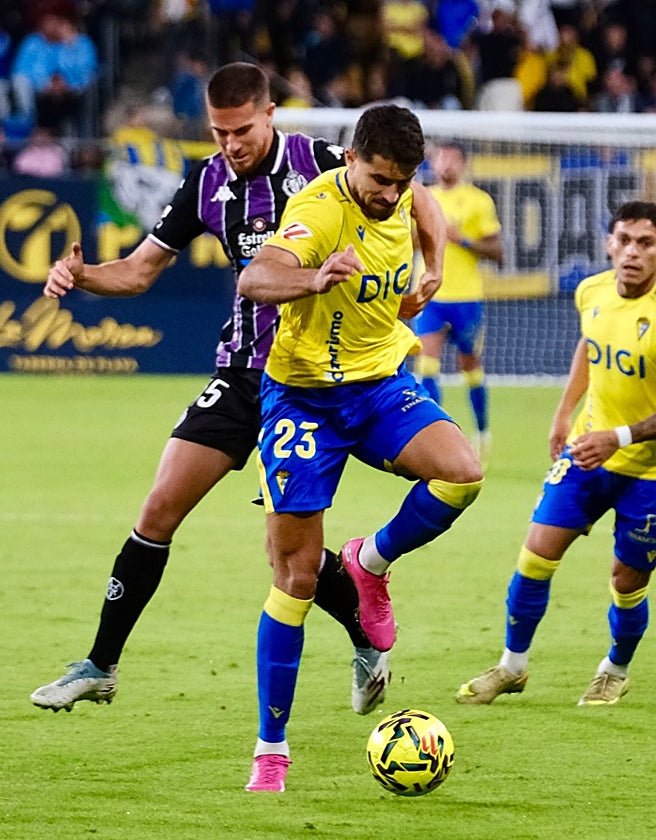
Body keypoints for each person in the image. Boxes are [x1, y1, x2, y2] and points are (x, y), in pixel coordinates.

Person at [31, 64, 444, 719]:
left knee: (289, 560)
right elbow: (138, 273)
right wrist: (80, 276)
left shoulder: (325, 161)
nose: (231, 143)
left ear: (271, 113)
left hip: (316, 380)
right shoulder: (206, 181)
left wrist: (430, 271)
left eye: (242, 129)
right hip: (241, 372)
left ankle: (365, 637)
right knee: (160, 506)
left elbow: (414, 193)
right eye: (219, 132)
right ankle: (99, 665)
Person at [236, 103, 483, 792]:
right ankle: (271, 751)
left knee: (463, 473)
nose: (389, 193)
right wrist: (314, 278)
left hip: (377, 384)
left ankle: (370, 562)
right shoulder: (320, 211)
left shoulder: (404, 193)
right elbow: (255, 280)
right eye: (378, 178)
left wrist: (431, 265)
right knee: (296, 578)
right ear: (351, 160)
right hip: (305, 400)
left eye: (399, 180)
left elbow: (427, 206)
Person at [456, 201, 656, 708]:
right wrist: (563, 413)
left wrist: (620, 437)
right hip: (589, 452)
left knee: (626, 582)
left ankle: (614, 668)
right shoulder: (591, 290)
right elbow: (590, 347)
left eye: (645, 243)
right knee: (535, 555)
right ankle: (512, 666)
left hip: (653, 470)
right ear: (609, 244)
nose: (632, 252)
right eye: (624, 241)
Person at [415, 140, 503, 461]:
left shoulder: (478, 201)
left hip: (467, 297)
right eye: (441, 158)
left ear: (463, 164)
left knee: (470, 366)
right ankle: (434, 436)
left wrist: (461, 238)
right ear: (433, 164)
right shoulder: (422, 198)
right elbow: (408, 241)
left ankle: (482, 432)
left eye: (453, 159)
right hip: (430, 295)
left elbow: (497, 252)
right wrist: (428, 231)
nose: (446, 165)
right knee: (427, 363)